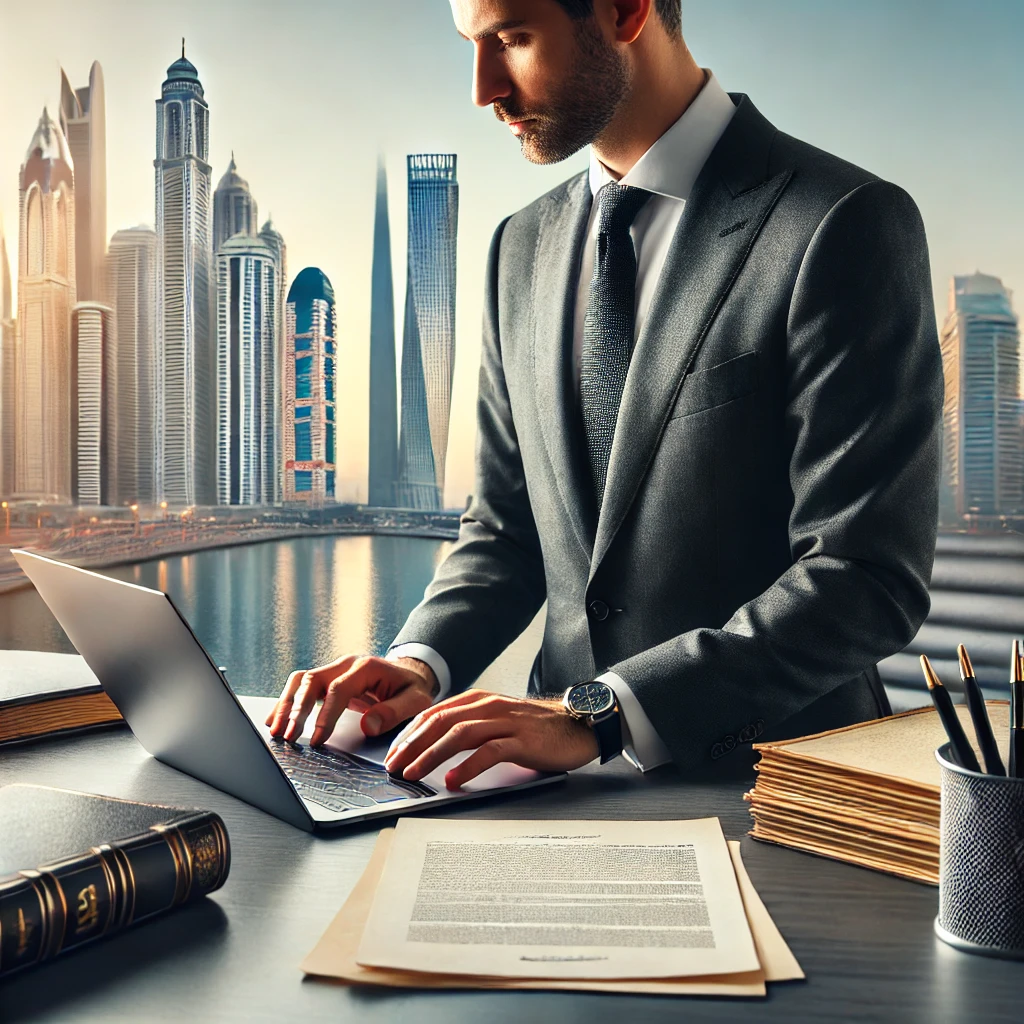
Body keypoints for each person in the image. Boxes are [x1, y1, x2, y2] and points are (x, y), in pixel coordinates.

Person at [268, 0, 943, 790]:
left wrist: (602, 711)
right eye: (470, 45)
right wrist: (420, 661)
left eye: (512, 39)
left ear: (626, 10)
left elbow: (866, 578)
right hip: (550, 798)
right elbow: (506, 528)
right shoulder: (517, 248)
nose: (483, 88)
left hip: (780, 799)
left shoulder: (841, 223)